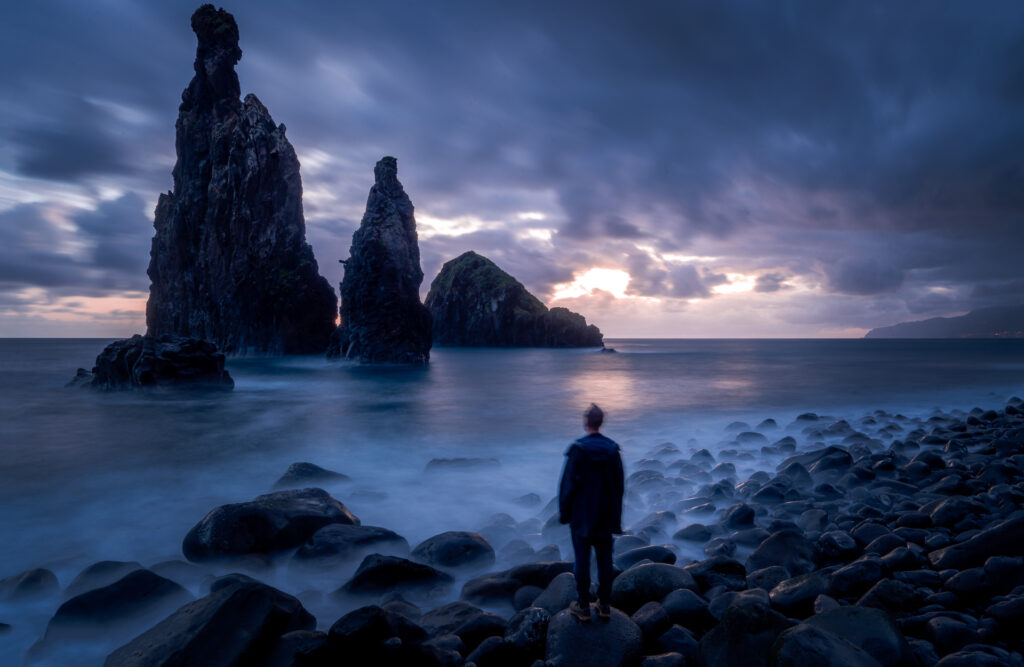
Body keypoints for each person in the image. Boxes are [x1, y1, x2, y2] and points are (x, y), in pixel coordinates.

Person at [558, 403, 624, 621]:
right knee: (605, 560)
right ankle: (604, 604)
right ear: (601, 422)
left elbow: (568, 486)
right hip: (605, 515)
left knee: (582, 561)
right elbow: (619, 486)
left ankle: (583, 605)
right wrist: (616, 516)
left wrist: (564, 514)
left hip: (582, 516)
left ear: (586, 422)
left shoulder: (577, 450)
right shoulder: (613, 450)